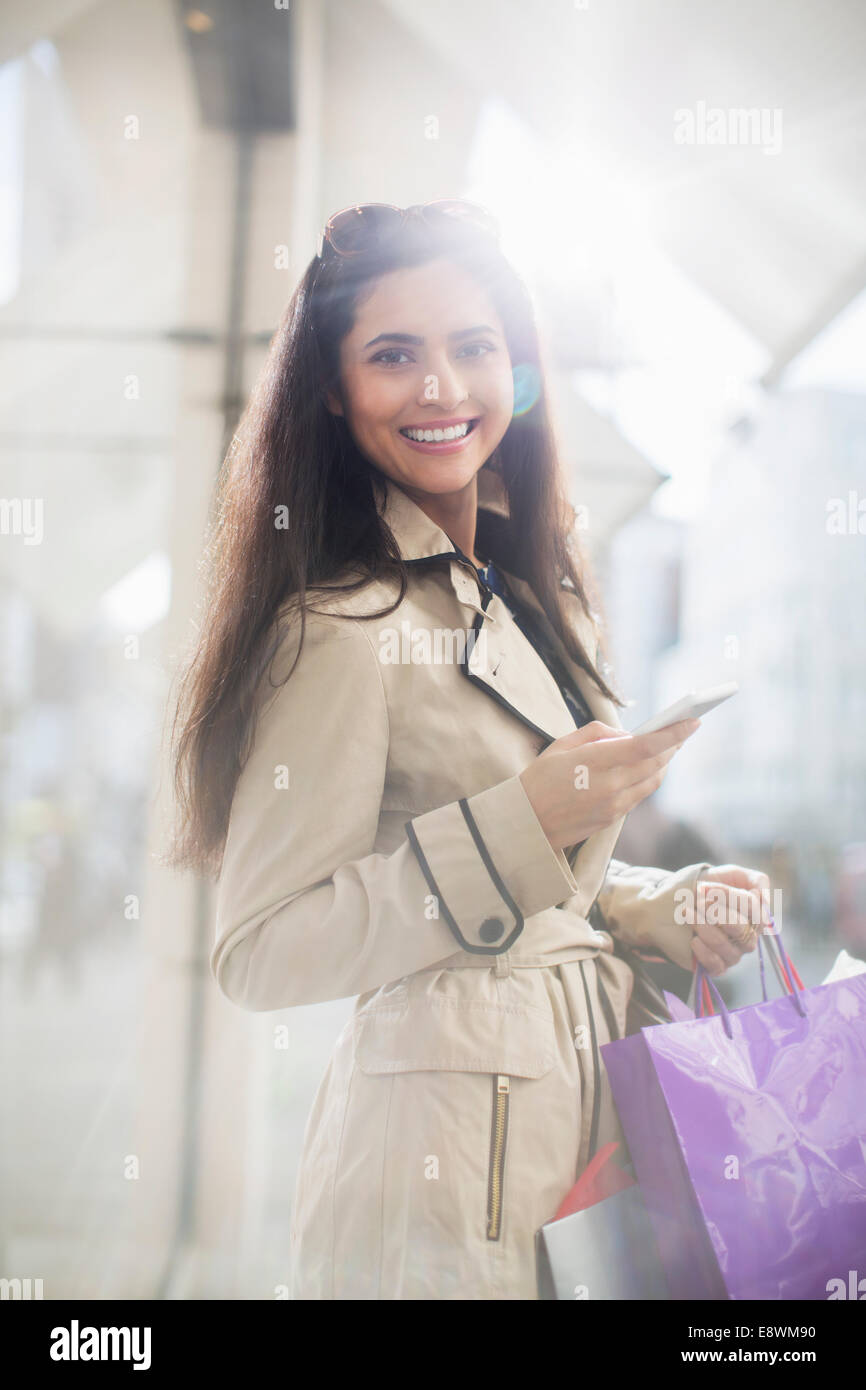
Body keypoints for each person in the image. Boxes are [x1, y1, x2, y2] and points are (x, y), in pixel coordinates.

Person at [166, 200, 769, 1300]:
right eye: (393, 354)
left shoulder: (536, 595)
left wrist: (658, 905)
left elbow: (548, 891)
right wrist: (523, 822)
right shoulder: (336, 628)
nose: (440, 386)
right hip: (433, 1176)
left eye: (472, 347)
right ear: (335, 390)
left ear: (518, 370)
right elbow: (258, 948)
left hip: (587, 1124)